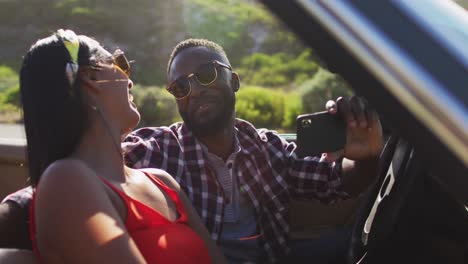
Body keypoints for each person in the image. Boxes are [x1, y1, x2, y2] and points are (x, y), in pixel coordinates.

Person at [122, 38, 384, 263]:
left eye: (206, 75)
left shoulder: (267, 149)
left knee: (367, 242)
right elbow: (93, 157)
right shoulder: (155, 152)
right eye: (180, 87)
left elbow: (336, 182)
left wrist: (365, 157)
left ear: (234, 81)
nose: (196, 91)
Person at [13, 30, 226, 264]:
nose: (130, 79)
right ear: (91, 79)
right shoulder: (64, 180)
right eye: (120, 64)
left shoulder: (163, 182)